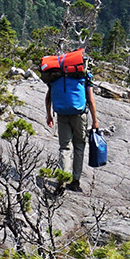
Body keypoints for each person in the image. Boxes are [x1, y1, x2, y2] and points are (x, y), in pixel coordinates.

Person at [45, 60, 96, 192]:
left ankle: (62, 180)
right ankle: (75, 181)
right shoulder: (84, 76)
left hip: (62, 115)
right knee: (79, 146)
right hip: (79, 115)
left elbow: (48, 97)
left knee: (64, 148)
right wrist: (95, 120)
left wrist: (49, 115)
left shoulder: (57, 76)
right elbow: (90, 100)